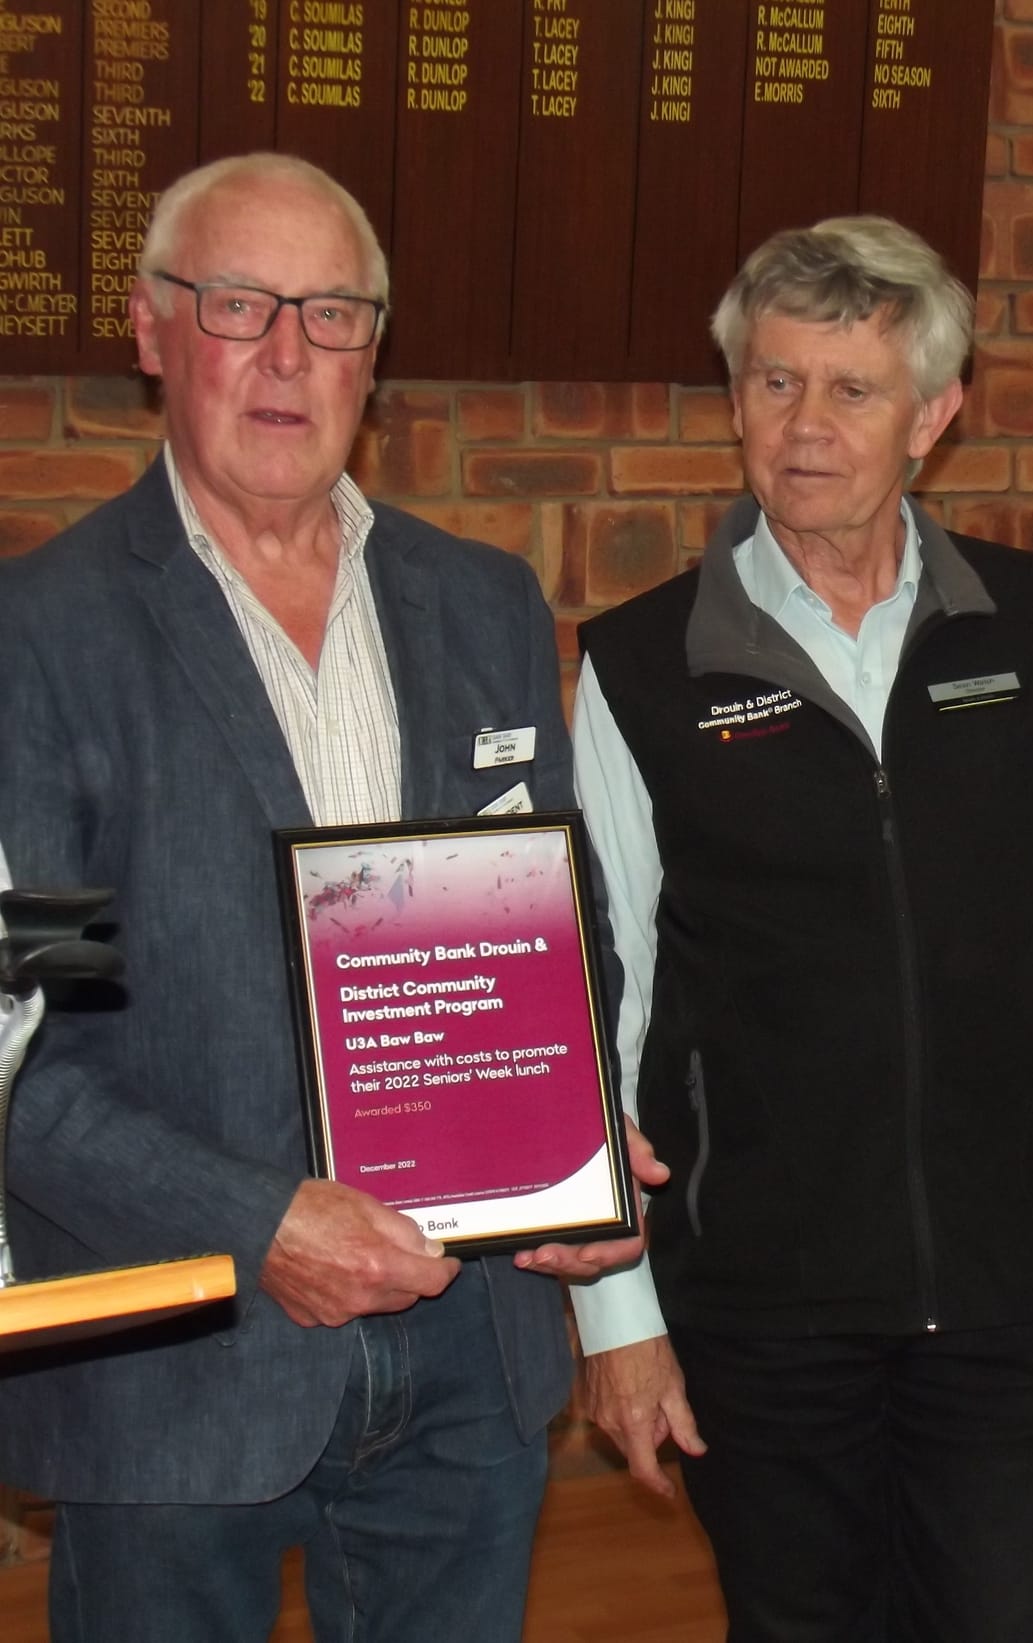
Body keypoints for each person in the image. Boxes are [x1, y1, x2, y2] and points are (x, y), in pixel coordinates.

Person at [0, 153, 658, 1641]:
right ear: (152, 329)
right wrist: (259, 1220)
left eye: (336, 312)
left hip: (467, 1357)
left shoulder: (481, 603)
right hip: (176, 1363)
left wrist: (573, 1131)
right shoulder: (37, 639)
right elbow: (18, 1048)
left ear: (377, 350)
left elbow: (563, 930)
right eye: (242, 303)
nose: (290, 353)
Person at [565, 215, 1033, 1642]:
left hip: (1014, 1296)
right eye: (774, 383)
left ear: (935, 415)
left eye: (850, 388)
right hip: (761, 1315)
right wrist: (618, 1314)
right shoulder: (642, 667)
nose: (805, 425)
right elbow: (612, 1014)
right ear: (734, 404)